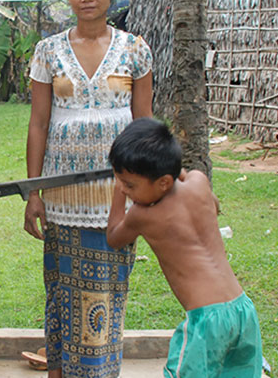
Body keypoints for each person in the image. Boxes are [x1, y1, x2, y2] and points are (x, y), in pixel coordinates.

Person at [22, 0, 153, 378]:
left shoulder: (135, 49)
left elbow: (144, 125)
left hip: (116, 193)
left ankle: (98, 373)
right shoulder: (48, 51)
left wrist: (145, 193)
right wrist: (33, 193)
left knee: (106, 292)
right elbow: (39, 124)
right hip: (61, 194)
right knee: (62, 291)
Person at [106, 118, 262, 377]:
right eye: (121, 182)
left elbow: (113, 237)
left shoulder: (142, 215)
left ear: (163, 183)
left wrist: (116, 194)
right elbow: (212, 202)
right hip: (242, 309)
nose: (124, 188)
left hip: (206, 321)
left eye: (129, 185)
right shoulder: (199, 182)